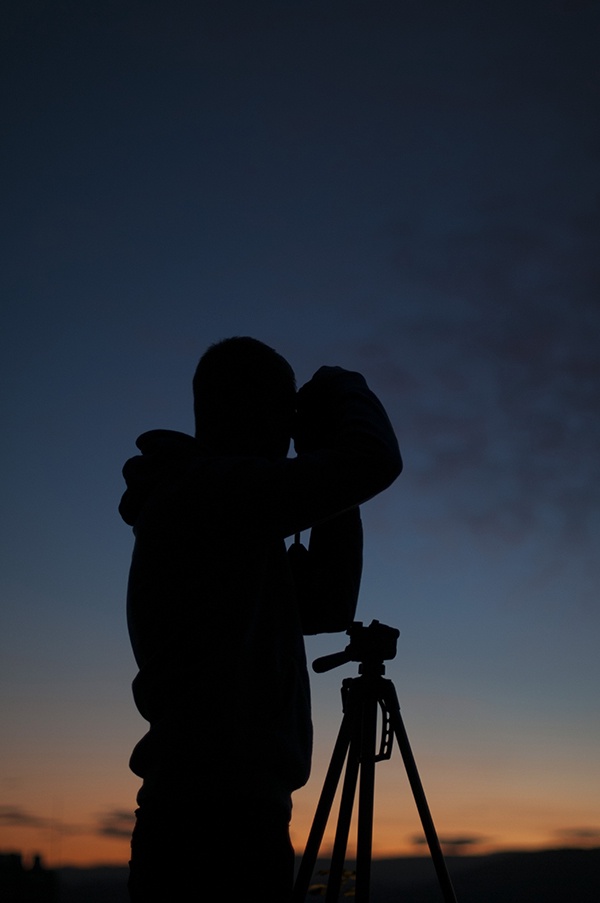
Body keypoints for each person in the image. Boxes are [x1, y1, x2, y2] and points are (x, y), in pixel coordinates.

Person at [119, 336, 402, 901]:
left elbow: (326, 604)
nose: (288, 429)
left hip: (239, 813)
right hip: (207, 825)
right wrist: (344, 387)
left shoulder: (230, 513)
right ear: (244, 410)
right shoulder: (203, 495)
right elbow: (372, 461)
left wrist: (327, 470)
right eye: (282, 410)